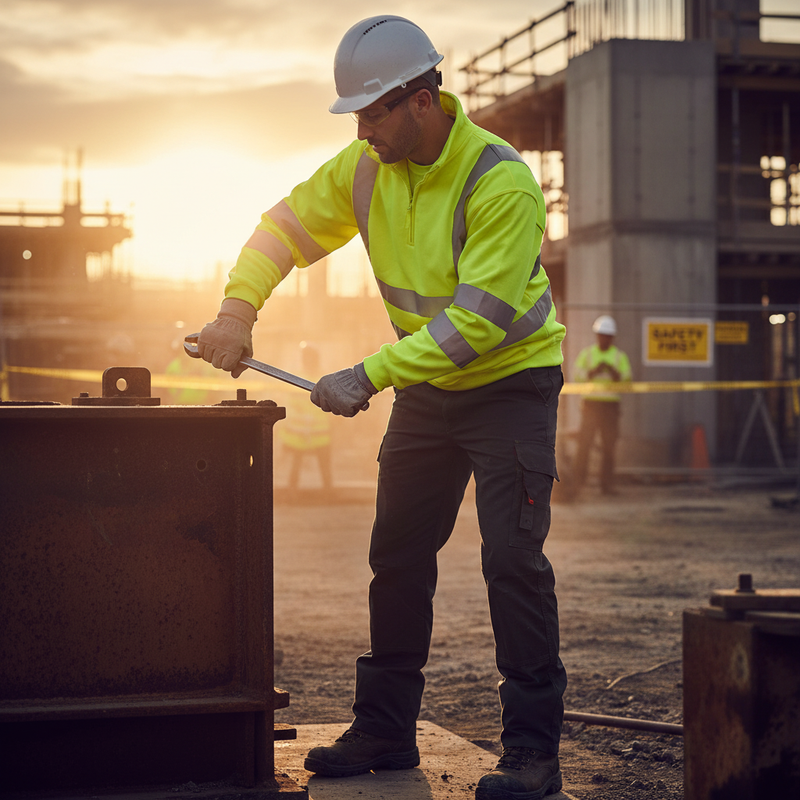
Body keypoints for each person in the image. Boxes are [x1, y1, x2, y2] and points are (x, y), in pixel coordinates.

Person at [196, 15, 567, 800]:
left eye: (372, 112)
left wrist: (368, 374)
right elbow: (284, 227)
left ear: (421, 100)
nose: (361, 129)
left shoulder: (500, 181)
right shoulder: (366, 166)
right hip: (430, 393)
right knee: (396, 556)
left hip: (510, 387)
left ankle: (532, 753)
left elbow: (478, 325)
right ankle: (387, 731)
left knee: (512, 562)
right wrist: (237, 309)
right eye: (357, 116)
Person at [572, 315, 632, 495]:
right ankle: (577, 484)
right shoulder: (588, 354)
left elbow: (627, 379)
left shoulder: (619, 356)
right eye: (601, 335)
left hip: (610, 407)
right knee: (584, 445)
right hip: (591, 405)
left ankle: (606, 485)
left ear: (612, 337)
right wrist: (593, 372)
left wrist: (615, 373)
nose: (604, 338)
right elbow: (577, 375)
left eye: (607, 335)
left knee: (609, 446)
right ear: (597, 335)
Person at [278, 343, 332, 493]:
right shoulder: (319, 377)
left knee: (323, 464)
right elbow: (291, 401)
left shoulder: (313, 377)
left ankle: (327, 492)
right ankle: (293, 491)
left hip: (317, 432)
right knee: (298, 464)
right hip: (302, 431)